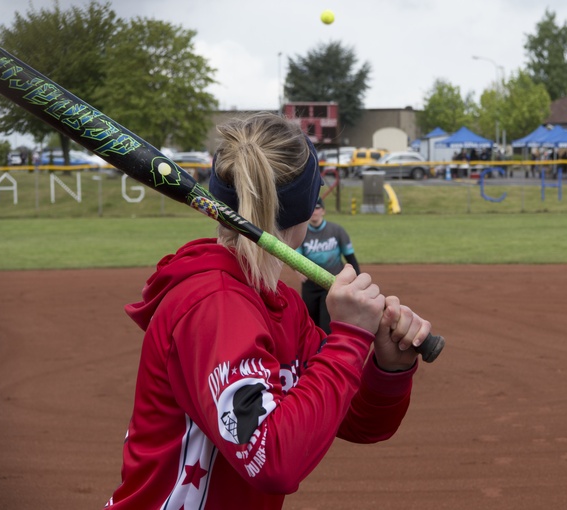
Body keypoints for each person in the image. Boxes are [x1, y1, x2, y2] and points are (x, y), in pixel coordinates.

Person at [106, 112, 431, 509]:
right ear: (305, 207)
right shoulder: (215, 305)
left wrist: (388, 368)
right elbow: (272, 460)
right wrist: (348, 338)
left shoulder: (277, 301)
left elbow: (355, 418)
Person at [297, 196, 360, 334]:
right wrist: (298, 270)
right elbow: (297, 257)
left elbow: (350, 257)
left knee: (327, 324)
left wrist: (358, 280)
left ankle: (325, 350)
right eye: (312, 208)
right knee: (310, 323)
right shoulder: (302, 232)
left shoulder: (336, 230)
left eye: (318, 208)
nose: (314, 211)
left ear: (323, 211)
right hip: (310, 284)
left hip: (332, 282)